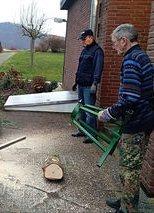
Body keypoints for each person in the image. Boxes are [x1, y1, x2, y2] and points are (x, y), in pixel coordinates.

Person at [98, 24, 154, 213]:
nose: (113, 48)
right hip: (143, 119)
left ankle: (128, 209)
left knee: (129, 169)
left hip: (137, 122)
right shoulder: (141, 56)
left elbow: (130, 98)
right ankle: (125, 201)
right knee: (130, 166)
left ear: (124, 41)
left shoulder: (131, 60)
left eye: (114, 43)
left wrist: (109, 113)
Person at [72, 29, 104, 143]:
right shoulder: (84, 51)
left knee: (89, 111)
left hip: (89, 86)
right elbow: (80, 67)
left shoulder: (97, 51)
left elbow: (98, 68)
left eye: (84, 39)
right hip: (81, 84)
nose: (83, 42)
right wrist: (76, 82)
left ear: (91, 38)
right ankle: (82, 130)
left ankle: (91, 135)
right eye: (82, 40)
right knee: (81, 109)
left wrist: (95, 83)